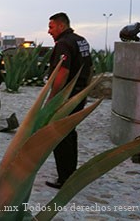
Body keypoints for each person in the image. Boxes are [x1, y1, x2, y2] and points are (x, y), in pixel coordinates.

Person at [45, 12, 93, 189]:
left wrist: (53, 98)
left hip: (66, 96)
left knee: (60, 135)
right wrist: (85, 91)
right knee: (70, 133)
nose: (49, 31)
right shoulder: (82, 41)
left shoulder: (64, 44)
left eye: (51, 27)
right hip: (79, 95)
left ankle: (64, 178)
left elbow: (62, 72)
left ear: (61, 26)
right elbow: (90, 67)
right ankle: (70, 173)